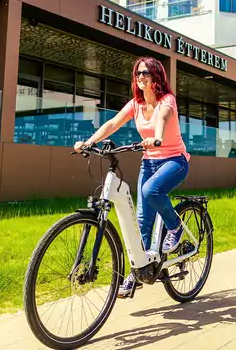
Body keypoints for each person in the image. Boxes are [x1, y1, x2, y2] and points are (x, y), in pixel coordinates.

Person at [73, 57, 189, 297]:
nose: (140, 76)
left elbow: (162, 118)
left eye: (145, 72)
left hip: (174, 161)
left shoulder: (167, 100)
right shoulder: (135, 104)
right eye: (137, 73)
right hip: (149, 162)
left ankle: (175, 226)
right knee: (141, 221)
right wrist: (89, 142)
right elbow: (113, 123)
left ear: (156, 75)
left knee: (150, 191)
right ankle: (139, 272)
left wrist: (156, 138)